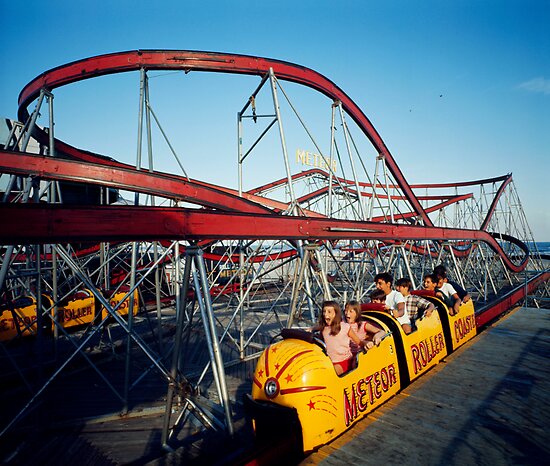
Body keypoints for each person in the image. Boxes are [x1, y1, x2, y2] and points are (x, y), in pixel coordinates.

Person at [315, 300, 367, 375]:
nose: (325, 314)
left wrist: (367, 343)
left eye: (329, 312)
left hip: (344, 362)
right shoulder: (323, 329)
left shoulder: (345, 327)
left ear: (335, 314)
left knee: (332, 372)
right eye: (324, 311)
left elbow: (359, 342)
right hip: (330, 362)